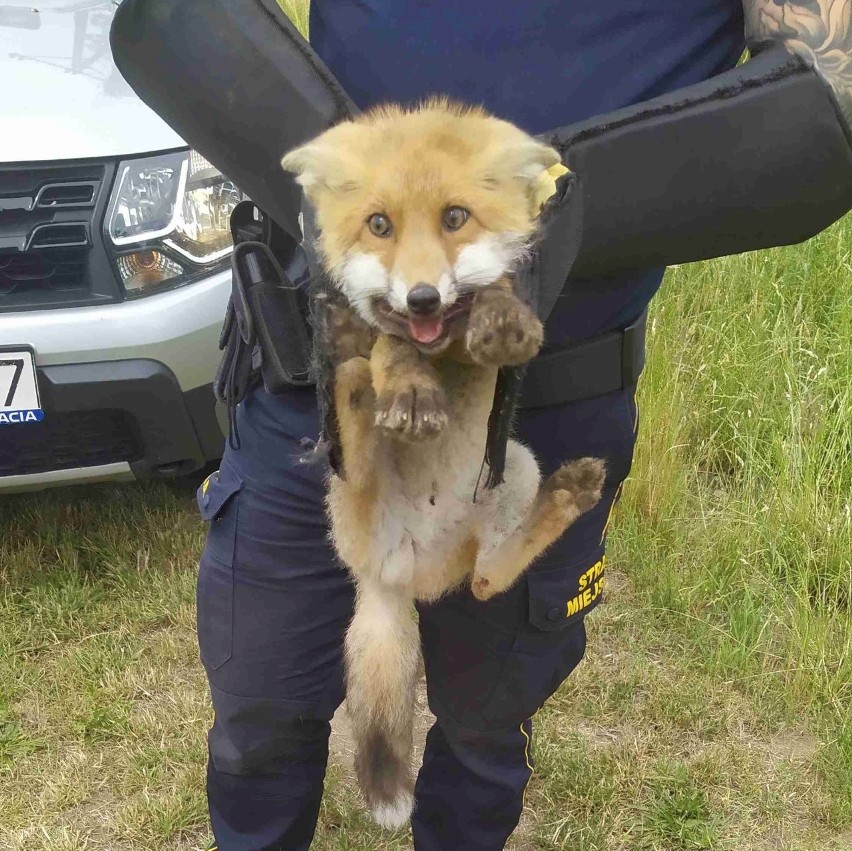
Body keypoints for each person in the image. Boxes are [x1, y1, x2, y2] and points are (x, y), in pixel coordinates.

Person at [192, 2, 851, 849]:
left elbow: (824, 99)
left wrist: (565, 207)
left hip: (545, 403)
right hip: (321, 389)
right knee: (260, 709)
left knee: (484, 726)